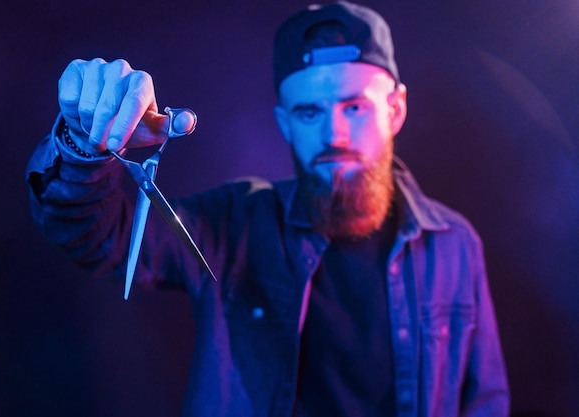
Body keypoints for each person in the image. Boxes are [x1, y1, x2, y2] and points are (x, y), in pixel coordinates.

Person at [26, 1, 509, 416]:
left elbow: (486, 401)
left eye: (355, 107)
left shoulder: (455, 244)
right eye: (308, 111)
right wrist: (83, 146)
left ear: (396, 110)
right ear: (284, 121)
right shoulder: (234, 224)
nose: (333, 134)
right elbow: (98, 237)